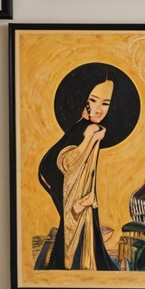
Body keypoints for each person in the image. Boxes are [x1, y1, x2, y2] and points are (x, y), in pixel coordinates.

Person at [35, 77, 119, 271]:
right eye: (93, 100)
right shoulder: (89, 129)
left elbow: (88, 173)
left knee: (78, 234)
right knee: (75, 238)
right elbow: (66, 162)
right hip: (62, 183)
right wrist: (90, 138)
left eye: (105, 103)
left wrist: (90, 198)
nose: (98, 108)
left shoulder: (90, 127)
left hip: (74, 191)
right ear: (84, 100)